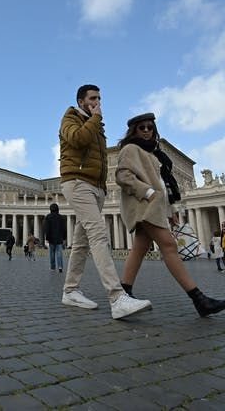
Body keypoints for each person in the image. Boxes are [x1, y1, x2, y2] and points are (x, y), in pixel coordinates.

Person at [116, 112, 225, 317]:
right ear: (134, 130)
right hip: (145, 206)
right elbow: (123, 176)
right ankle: (198, 299)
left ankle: (123, 293)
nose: (146, 130)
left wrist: (169, 211)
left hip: (155, 207)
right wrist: (148, 192)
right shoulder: (130, 149)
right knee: (169, 246)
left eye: (149, 127)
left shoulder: (153, 154)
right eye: (141, 127)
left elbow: (162, 185)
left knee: (139, 249)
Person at [58, 85, 152, 319]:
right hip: (78, 182)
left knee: (81, 242)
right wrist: (96, 118)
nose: (97, 102)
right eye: (92, 98)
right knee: (99, 233)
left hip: (96, 187)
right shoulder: (70, 117)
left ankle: (70, 290)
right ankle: (117, 297)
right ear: (81, 101)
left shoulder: (96, 124)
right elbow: (77, 139)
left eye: (99, 98)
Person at [43, 202, 66, 272]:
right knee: (59, 253)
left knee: (52, 253)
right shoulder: (61, 217)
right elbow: (64, 229)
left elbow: (47, 228)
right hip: (59, 238)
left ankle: (53, 267)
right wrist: (64, 238)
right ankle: (60, 267)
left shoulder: (48, 217)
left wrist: (47, 238)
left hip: (51, 238)